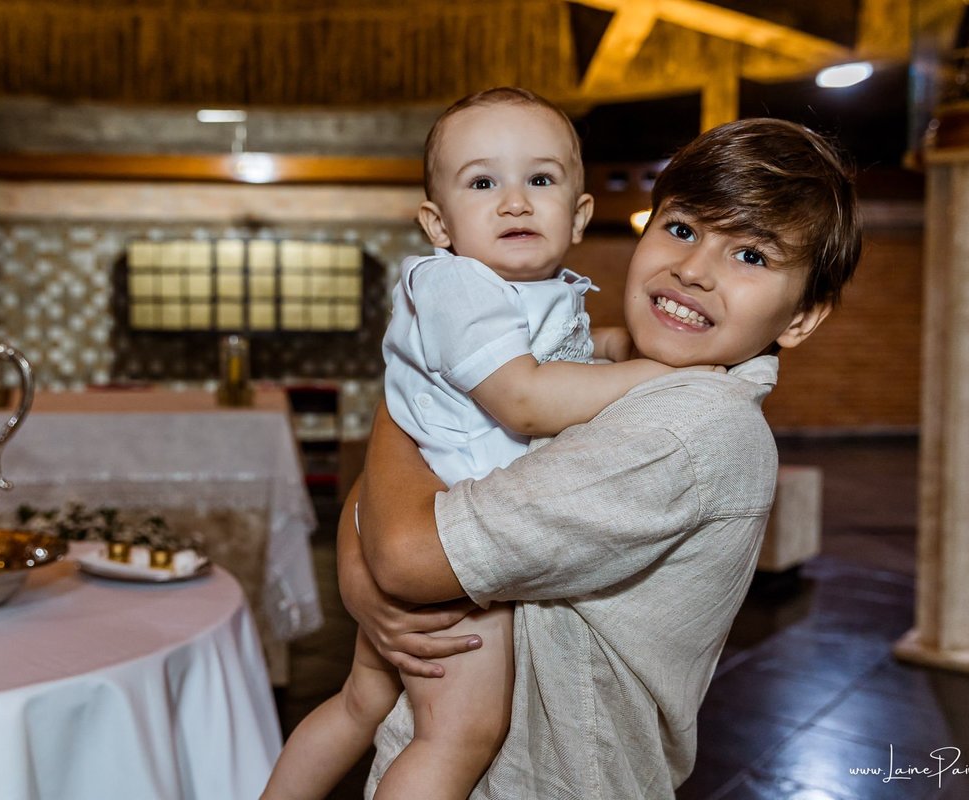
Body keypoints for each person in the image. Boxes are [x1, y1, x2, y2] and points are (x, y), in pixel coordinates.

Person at [343, 116, 862, 798]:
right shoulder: (592, 369)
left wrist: (408, 386)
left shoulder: (688, 425)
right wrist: (364, 583)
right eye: (682, 228)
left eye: (752, 256)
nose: (693, 269)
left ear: (801, 317)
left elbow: (408, 552)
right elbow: (397, 501)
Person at [262, 87, 701, 800]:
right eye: (483, 182)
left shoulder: (534, 290)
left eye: (540, 179)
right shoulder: (459, 285)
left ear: (580, 214)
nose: (515, 202)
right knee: (458, 735)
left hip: (421, 515)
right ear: (438, 223)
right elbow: (524, 400)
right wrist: (664, 374)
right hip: (445, 546)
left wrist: (619, 349)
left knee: (361, 703)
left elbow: (569, 358)